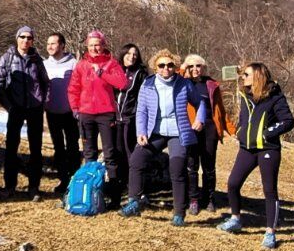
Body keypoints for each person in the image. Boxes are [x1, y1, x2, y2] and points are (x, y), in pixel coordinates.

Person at [120, 50, 207, 224]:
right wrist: (141, 132)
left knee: (177, 168)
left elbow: (200, 102)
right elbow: (142, 110)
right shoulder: (148, 84)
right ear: (155, 67)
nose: (166, 68)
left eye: (170, 65)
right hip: (155, 131)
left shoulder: (184, 84)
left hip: (178, 132)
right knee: (137, 160)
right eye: (161, 65)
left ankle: (179, 213)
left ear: (175, 66)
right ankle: (134, 202)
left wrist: (200, 119)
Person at [217, 62, 294, 249]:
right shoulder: (245, 94)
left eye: (246, 74)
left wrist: (266, 134)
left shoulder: (275, 96)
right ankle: (235, 218)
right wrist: (240, 132)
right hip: (247, 148)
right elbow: (245, 118)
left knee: (269, 190)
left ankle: (270, 232)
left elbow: (288, 121)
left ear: (258, 76)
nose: (243, 77)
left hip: (268, 149)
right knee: (233, 183)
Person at [67, 30, 128, 205]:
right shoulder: (81, 65)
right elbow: (73, 88)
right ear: (87, 46)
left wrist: (102, 73)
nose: (94, 48)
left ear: (103, 45)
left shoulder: (111, 64)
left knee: (109, 153)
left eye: (98, 44)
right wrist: (75, 108)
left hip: (106, 113)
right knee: (89, 153)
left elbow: (122, 83)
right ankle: (90, 191)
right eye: (91, 44)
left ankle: (115, 195)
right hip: (86, 114)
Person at [0, 26, 49, 198]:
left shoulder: (37, 59)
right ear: (17, 38)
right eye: (22, 37)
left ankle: (34, 187)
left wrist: (42, 102)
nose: (26, 40)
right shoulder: (7, 58)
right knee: (11, 148)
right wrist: (8, 106)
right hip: (15, 108)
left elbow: (45, 82)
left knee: (36, 149)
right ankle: (10, 186)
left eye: (29, 38)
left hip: (34, 109)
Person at [182, 54, 235, 212]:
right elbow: (175, 75)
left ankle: (209, 198)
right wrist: (183, 68)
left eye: (198, 66)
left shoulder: (211, 85)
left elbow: (220, 109)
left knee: (209, 166)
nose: (195, 69)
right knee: (192, 165)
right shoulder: (183, 84)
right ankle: (193, 199)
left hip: (210, 129)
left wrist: (232, 130)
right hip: (191, 128)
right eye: (191, 66)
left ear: (203, 68)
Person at [44, 33, 79, 196]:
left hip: (71, 112)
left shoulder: (74, 64)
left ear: (63, 45)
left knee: (72, 146)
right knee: (58, 147)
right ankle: (63, 179)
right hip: (52, 112)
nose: (50, 46)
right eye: (48, 43)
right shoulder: (43, 64)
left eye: (54, 43)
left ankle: (75, 179)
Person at [115, 43, 148, 186]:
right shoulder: (115, 70)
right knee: (117, 151)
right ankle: (120, 181)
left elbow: (144, 97)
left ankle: (133, 185)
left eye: (135, 54)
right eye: (128, 53)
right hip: (114, 118)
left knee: (131, 152)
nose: (132, 57)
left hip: (131, 119)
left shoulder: (141, 74)